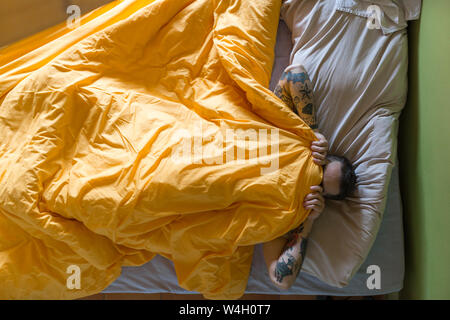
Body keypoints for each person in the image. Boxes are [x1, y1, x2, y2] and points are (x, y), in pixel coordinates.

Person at [263, 64, 357, 290]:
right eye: (321, 166)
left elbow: (281, 279)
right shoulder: (298, 136)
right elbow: (294, 73)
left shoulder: (293, 216)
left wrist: (307, 224)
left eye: (319, 183)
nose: (314, 173)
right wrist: (312, 130)